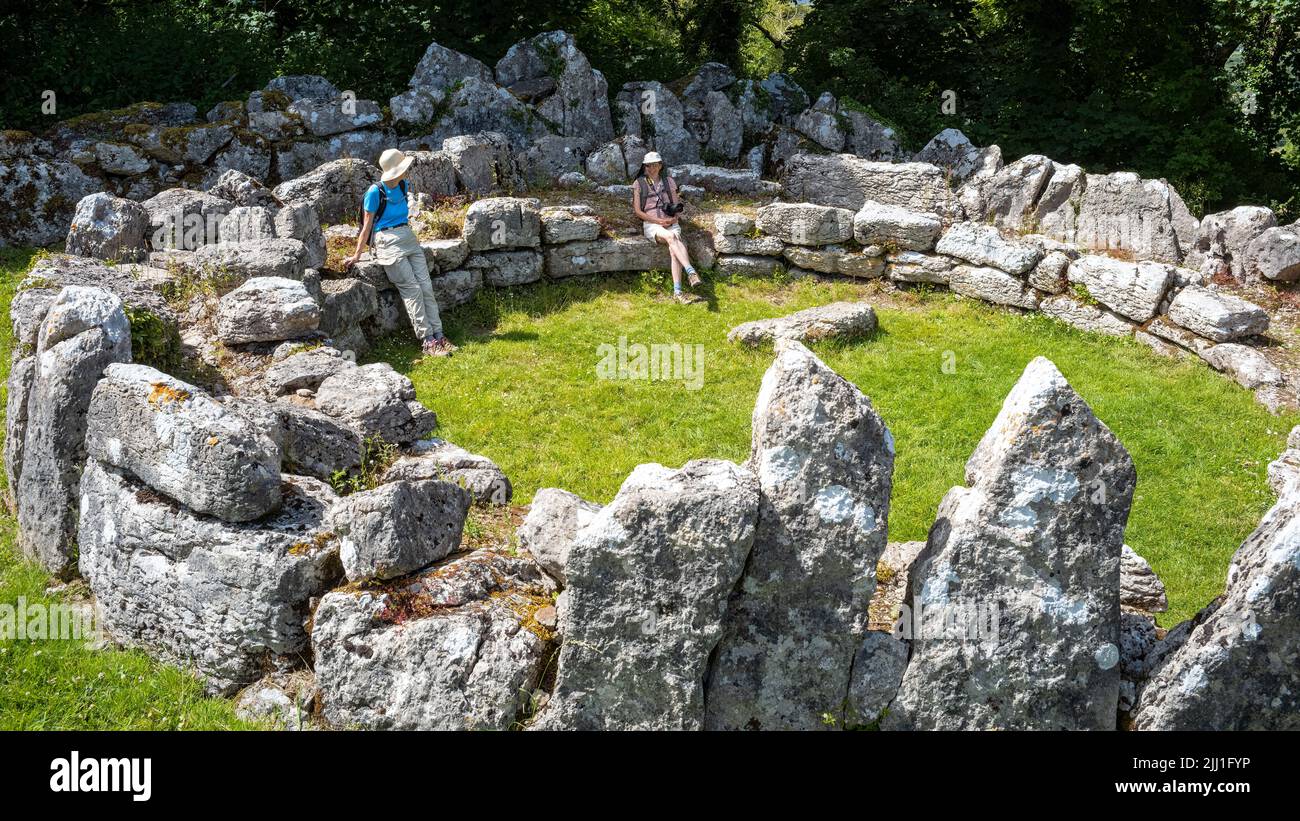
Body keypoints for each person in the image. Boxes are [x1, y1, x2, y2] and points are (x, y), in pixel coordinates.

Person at [343, 148, 456, 356]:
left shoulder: (404, 185)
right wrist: (357, 254)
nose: (407, 170)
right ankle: (428, 340)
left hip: (408, 238)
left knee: (426, 287)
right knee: (412, 290)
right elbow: (366, 226)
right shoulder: (375, 192)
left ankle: (439, 335)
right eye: (403, 167)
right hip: (387, 241)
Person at [631, 151, 702, 304]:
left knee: (673, 245)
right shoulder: (639, 183)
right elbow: (638, 211)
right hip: (651, 224)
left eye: (655, 165)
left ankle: (677, 292)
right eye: (649, 165)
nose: (652, 168)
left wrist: (673, 218)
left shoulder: (669, 181)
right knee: (671, 237)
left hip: (670, 222)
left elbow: (676, 206)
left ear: (660, 166)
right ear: (645, 166)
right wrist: (657, 221)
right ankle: (691, 271)